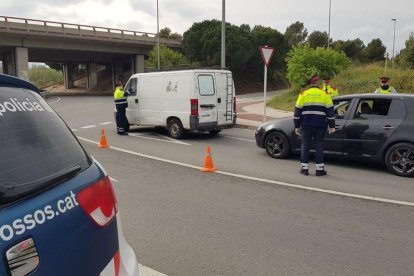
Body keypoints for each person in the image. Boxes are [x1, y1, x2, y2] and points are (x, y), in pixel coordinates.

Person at [294, 75, 336, 176]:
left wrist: (297, 126)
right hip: (320, 125)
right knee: (319, 146)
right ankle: (319, 170)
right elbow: (330, 112)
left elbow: (297, 112)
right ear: (318, 83)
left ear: (309, 83)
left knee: (305, 146)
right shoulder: (324, 94)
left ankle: (304, 169)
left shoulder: (303, 94)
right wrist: (332, 126)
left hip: (306, 125)